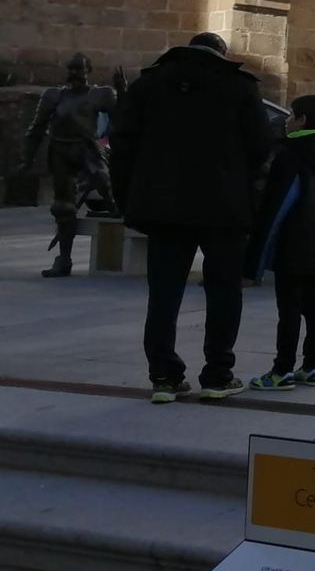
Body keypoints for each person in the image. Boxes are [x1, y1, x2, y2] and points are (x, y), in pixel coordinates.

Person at [111, 32, 273, 404]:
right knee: (224, 292)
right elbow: (261, 147)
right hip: (224, 209)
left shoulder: (148, 85)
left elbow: (122, 146)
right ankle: (218, 374)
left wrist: (129, 200)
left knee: (164, 294)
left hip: (163, 209)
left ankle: (164, 377)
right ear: (221, 54)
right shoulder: (238, 86)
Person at [246, 94, 315, 391]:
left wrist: (258, 250)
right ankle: (313, 365)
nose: (286, 121)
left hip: (291, 241)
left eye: (290, 116)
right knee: (314, 303)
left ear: (302, 119)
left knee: (288, 308)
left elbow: (276, 203)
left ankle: (282, 370)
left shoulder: (292, 154)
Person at [13, 53, 124, 278]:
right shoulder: (54, 96)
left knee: (102, 179)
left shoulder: (99, 94)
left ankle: (115, 208)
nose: (75, 74)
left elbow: (123, 118)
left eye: (79, 70)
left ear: (87, 72)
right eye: (72, 69)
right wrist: (27, 159)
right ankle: (64, 259)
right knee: (63, 207)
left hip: (87, 148)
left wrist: (122, 92)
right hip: (61, 151)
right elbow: (36, 129)